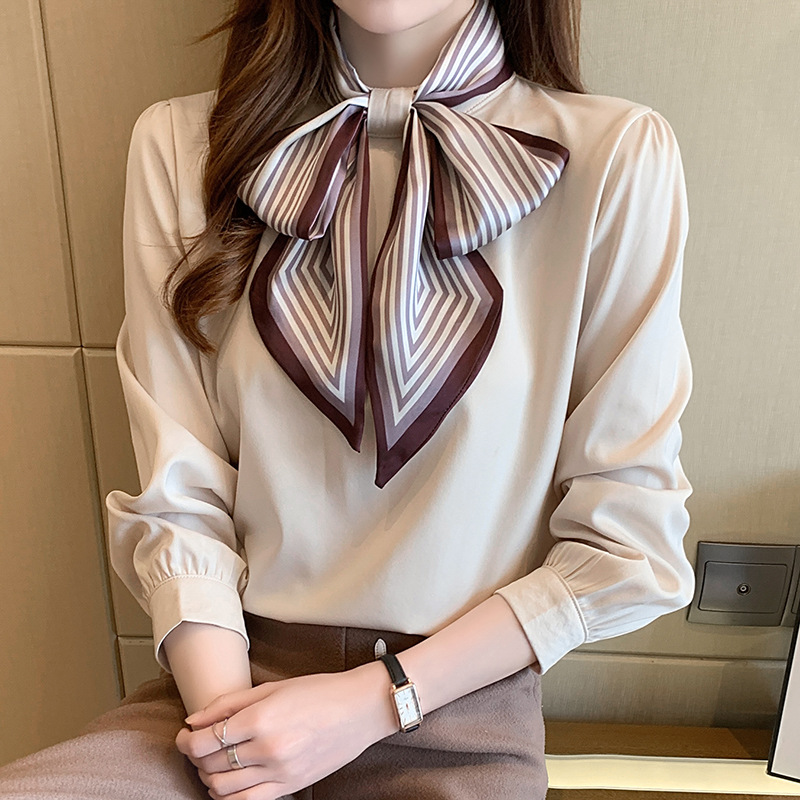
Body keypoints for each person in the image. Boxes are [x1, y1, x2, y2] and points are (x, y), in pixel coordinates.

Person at [0, 0, 696, 797]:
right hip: (219, 693)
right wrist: (240, 749)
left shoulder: (615, 158)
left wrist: (379, 700)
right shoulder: (181, 146)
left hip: (456, 718)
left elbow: (624, 543)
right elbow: (178, 497)